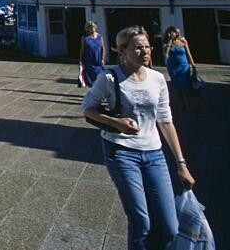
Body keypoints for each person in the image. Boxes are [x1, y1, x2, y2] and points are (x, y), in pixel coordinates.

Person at [82, 25, 195, 250]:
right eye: (138, 48)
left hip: (154, 153)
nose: (145, 52)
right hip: (121, 152)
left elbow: (165, 121)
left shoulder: (157, 79)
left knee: (170, 225)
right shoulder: (109, 78)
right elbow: (88, 109)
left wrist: (181, 164)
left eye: (147, 47)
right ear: (122, 51)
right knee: (141, 222)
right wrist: (116, 123)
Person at [163, 26, 196, 112]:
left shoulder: (183, 41)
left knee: (184, 85)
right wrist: (170, 40)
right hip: (173, 67)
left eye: (176, 32)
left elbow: (189, 54)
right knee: (177, 86)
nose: (175, 34)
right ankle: (182, 104)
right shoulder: (167, 42)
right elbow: (166, 52)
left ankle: (186, 102)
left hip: (184, 66)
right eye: (173, 32)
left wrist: (193, 65)